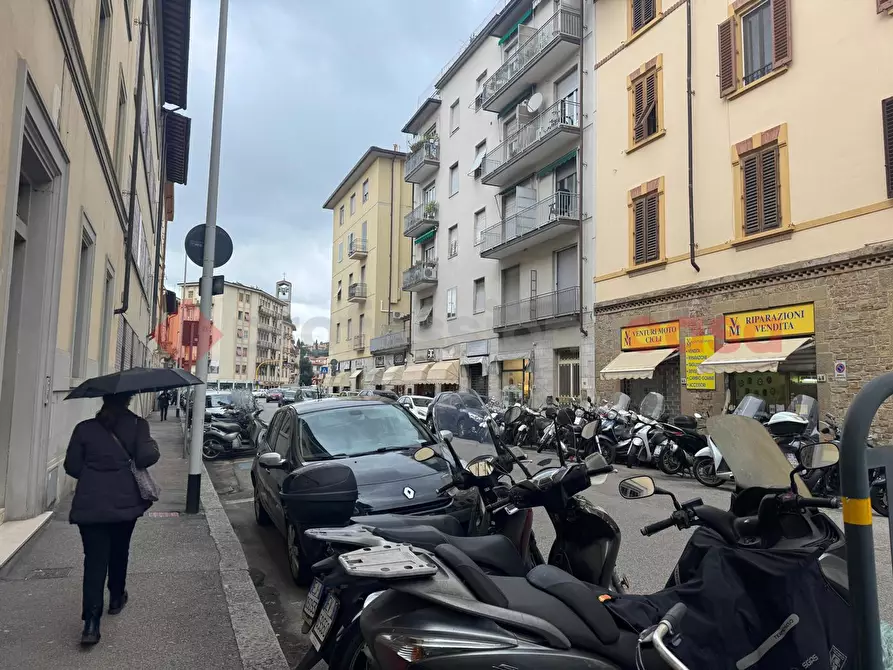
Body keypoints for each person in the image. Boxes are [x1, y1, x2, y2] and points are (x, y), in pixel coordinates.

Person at [63, 393, 160, 646]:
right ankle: (116, 597)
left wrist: (94, 475)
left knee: (94, 560)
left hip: (90, 503)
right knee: (120, 550)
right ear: (128, 400)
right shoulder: (138, 425)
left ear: (104, 399)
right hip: (124, 502)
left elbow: (72, 467)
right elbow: (145, 458)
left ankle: (91, 624)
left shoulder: (84, 429)